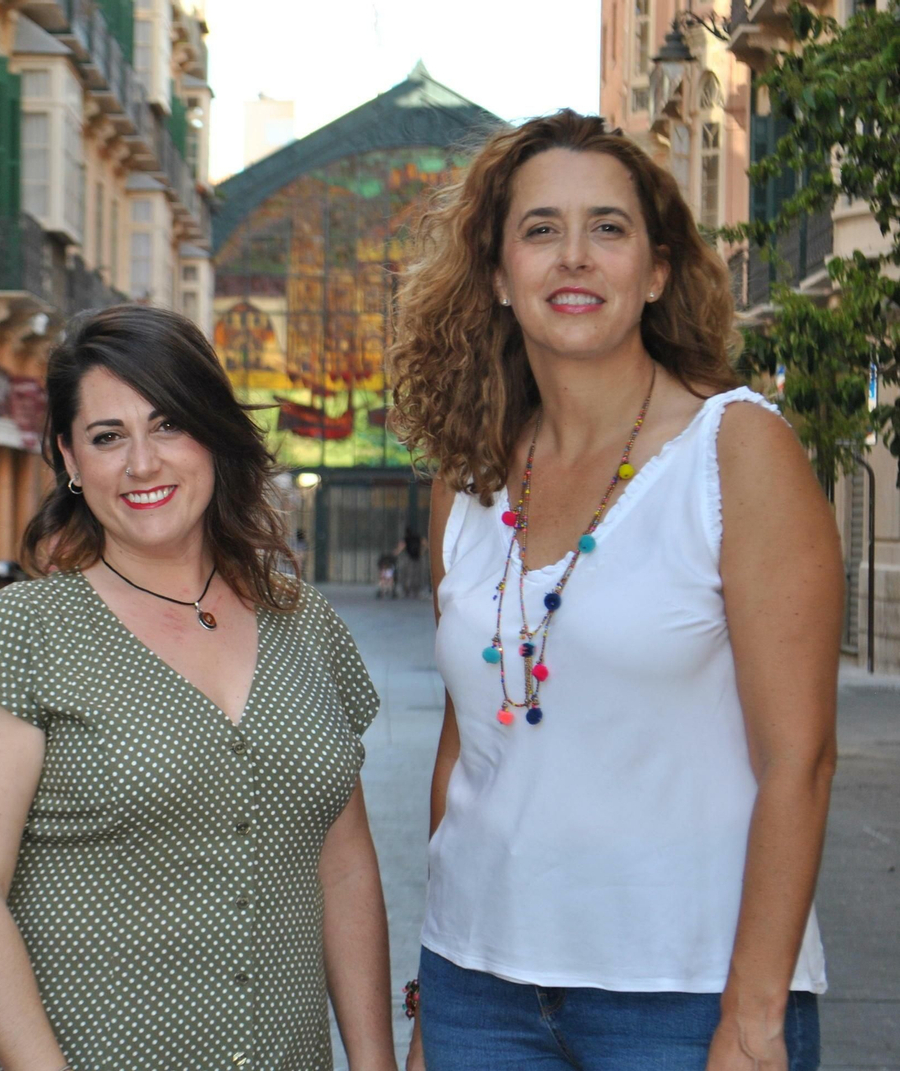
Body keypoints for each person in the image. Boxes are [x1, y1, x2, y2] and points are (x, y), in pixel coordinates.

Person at [391, 110, 839, 1070]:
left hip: (683, 998)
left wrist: (754, 1020)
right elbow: (463, 753)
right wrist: (434, 1004)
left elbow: (799, 760)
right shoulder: (466, 478)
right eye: (541, 230)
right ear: (501, 279)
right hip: (479, 992)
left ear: (659, 270)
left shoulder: (737, 449)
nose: (575, 258)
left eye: (609, 227)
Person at [0, 305, 398, 1071]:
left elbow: (343, 863)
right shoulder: (20, 636)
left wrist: (373, 1062)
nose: (142, 463)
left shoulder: (305, 623)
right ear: (70, 461)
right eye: (108, 437)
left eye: (169, 424)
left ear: (212, 434)